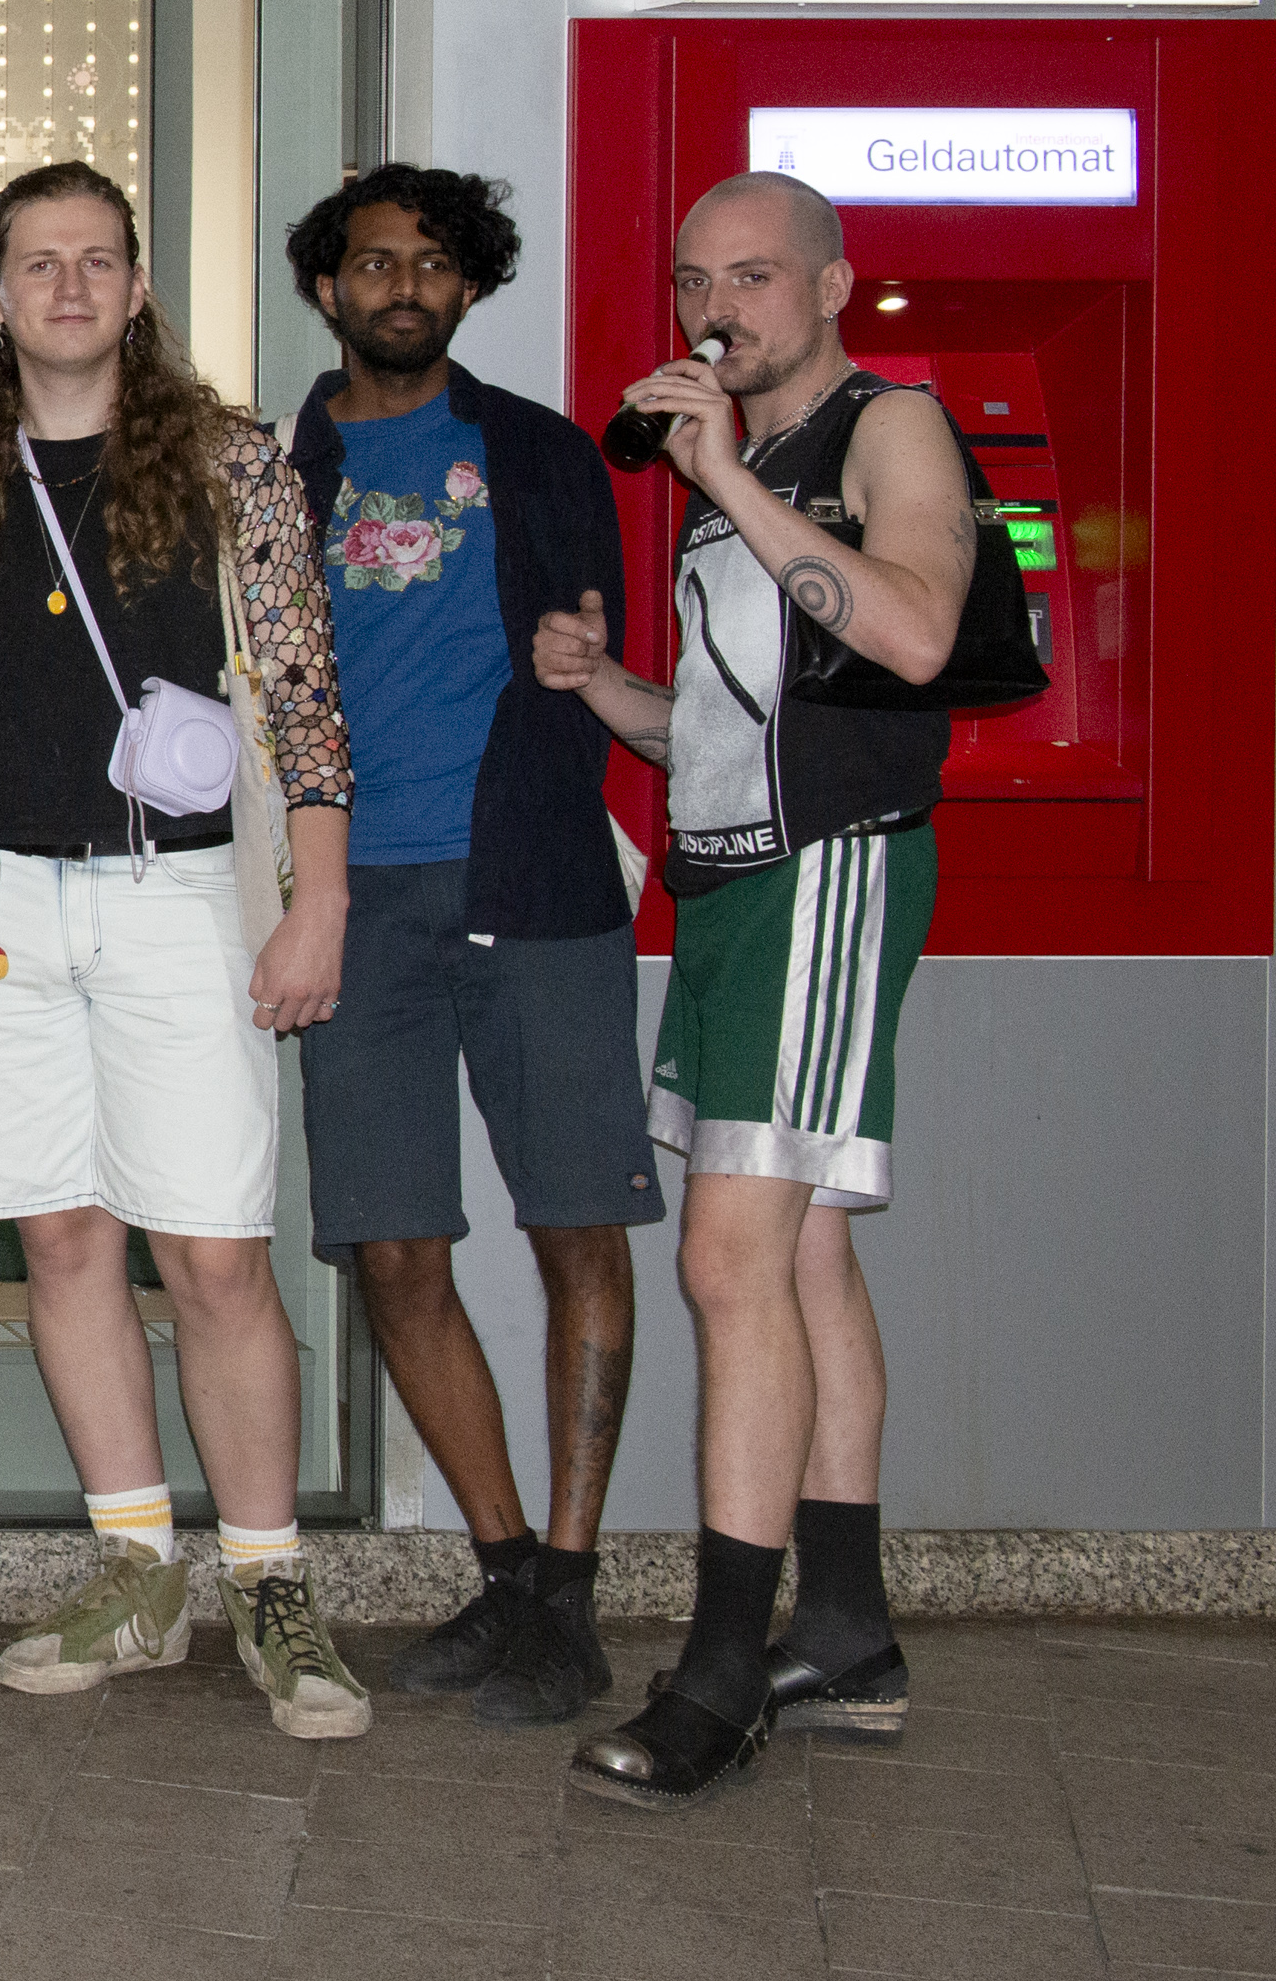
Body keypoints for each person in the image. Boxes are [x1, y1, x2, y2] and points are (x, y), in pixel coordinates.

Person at [0, 164, 369, 1741]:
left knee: (215, 1251)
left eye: (97, 260)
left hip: (174, 898)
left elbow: (298, 686)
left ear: (136, 286)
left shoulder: (230, 465)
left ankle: (272, 1581)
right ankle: (134, 1565)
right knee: (64, 1242)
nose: (68, 285)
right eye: (37, 261)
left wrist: (319, 896)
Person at [537, 170, 972, 1808]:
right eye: (694, 280)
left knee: (727, 1260)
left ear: (833, 283)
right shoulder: (742, 473)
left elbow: (921, 635)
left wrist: (723, 468)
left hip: (827, 870)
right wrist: (606, 694)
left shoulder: (886, 428)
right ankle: (844, 1630)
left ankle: (722, 1670)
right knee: (797, 1250)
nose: (720, 306)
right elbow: (729, 722)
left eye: (757, 276)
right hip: (727, 879)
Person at [280, 166, 652, 1728]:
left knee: (577, 1223)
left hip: (535, 877)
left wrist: (585, 659)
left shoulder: (544, 453)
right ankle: (505, 1567)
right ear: (327, 288)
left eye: (431, 262)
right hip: (346, 902)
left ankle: (563, 1585)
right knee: (391, 1249)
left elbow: (600, 648)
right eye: (373, 262)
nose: (402, 285)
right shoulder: (264, 471)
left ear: (470, 286)